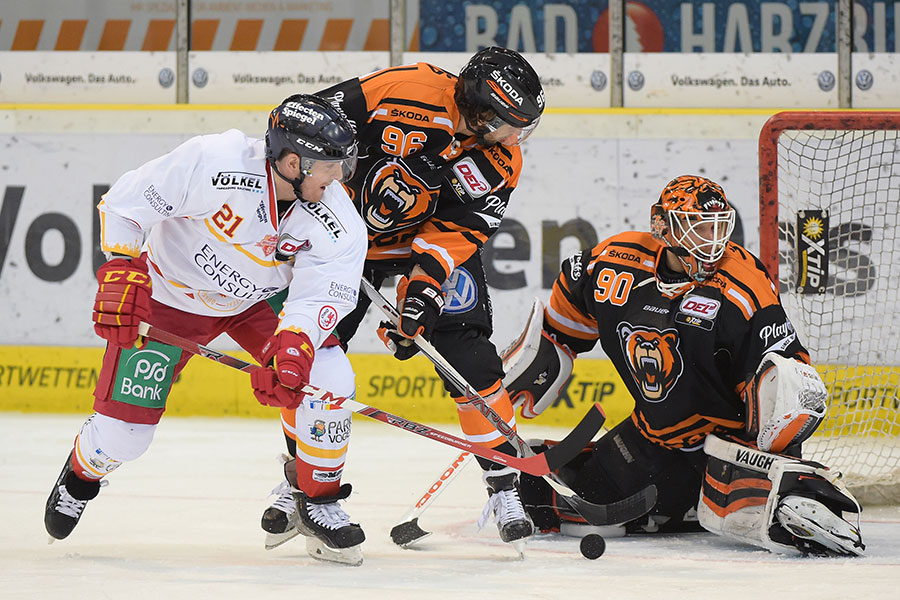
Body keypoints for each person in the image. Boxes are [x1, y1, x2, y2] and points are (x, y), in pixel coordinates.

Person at [43, 94, 371, 565]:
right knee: (124, 440)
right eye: (329, 166)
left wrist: (296, 342)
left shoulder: (336, 216)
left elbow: (324, 289)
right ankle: (82, 471)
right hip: (169, 298)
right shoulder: (213, 161)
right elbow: (127, 205)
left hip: (258, 303)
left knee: (330, 375)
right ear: (293, 161)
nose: (338, 178)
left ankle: (318, 500)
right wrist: (121, 264)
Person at [261, 46, 545, 548]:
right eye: (508, 124)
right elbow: (305, 126)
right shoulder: (405, 89)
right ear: (481, 109)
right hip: (342, 239)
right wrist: (317, 212)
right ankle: (300, 476)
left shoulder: (503, 160)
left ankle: (503, 484)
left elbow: (457, 232)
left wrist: (422, 296)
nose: (515, 137)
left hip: (417, 247)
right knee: (309, 355)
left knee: (472, 360)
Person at [505, 175, 865, 556]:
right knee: (548, 497)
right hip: (652, 436)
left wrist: (771, 466)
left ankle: (739, 495)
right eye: (698, 228)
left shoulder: (742, 285)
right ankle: (687, 504)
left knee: (764, 509)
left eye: (717, 227)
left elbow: (785, 381)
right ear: (664, 226)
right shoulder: (617, 262)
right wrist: (543, 359)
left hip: (724, 447)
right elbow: (569, 308)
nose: (711, 241)